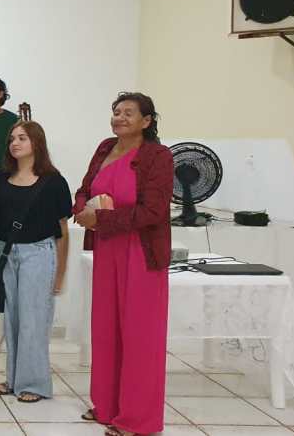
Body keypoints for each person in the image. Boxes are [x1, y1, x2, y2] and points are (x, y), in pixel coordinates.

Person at [74, 92, 172, 436]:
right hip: (107, 250)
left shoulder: (158, 156)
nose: (120, 117)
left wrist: (100, 218)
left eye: (129, 113)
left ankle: (137, 420)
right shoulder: (105, 148)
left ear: (146, 121)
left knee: (140, 335)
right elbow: (84, 189)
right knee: (106, 329)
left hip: (141, 253)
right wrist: (81, 210)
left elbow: (153, 212)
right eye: (116, 111)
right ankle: (107, 405)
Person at [0, 121, 71, 403]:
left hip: (38, 252)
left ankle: (34, 384)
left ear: (37, 142)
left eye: (22, 138)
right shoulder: (2, 178)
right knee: (11, 319)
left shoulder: (53, 181)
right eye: (12, 138)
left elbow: (63, 230)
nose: (15, 143)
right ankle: (14, 379)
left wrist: (60, 273)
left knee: (34, 319)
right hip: (5, 252)